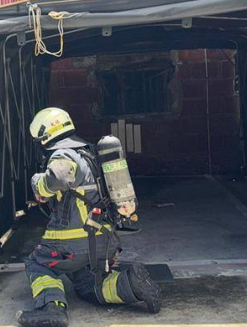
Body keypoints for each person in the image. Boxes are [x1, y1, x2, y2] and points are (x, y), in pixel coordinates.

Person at [17, 107, 161, 327]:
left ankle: (51, 308)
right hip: (103, 242)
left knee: (38, 263)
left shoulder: (63, 153)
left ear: (45, 136)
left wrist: (38, 182)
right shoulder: (91, 152)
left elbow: (58, 176)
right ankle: (131, 284)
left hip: (73, 243)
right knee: (87, 286)